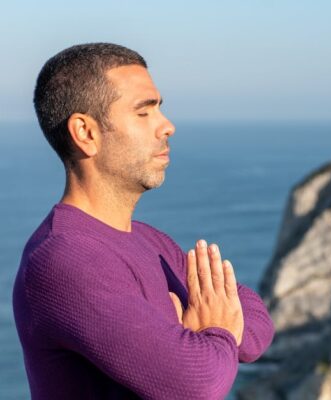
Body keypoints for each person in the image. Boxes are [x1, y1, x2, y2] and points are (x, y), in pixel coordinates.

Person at [12, 43, 274, 400]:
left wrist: (201, 336)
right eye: (143, 112)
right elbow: (198, 384)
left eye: (160, 109)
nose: (167, 126)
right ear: (86, 133)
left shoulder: (152, 242)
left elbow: (257, 331)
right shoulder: (63, 261)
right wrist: (209, 328)